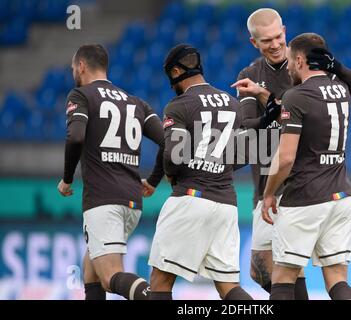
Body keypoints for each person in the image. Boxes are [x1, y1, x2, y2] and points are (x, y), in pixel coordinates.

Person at [231, 8, 351, 299]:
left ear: (285, 31)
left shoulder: (309, 62)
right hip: (289, 182)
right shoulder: (249, 75)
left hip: (293, 183)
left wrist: (266, 97)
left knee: (281, 272)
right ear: (253, 42)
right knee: (263, 270)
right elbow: (248, 126)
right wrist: (261, 96)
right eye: (266, 40)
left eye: (278, 36)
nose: (274, 44)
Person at [57, 44, 165, 300]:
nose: (74, 72)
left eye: (74, 67)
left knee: (109, 277)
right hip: (132, 202)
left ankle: (156, 297)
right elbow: (170, 141)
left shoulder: (80, 95)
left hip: (103, 202)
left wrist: (67, 178)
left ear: (81, 65)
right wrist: (154, 180)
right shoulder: (136, 102)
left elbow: (75, 137)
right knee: (91, 271)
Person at [147, 44, 252, 300]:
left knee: (160, 282)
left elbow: (172, 157)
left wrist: (171, 176)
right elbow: (245, 155)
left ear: (175, 71)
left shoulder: (179, 105)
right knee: (229, 287)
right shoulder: (233, 103)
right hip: (226, 203)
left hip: (190, 198)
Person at [262, 33, 351, 300]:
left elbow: (286, 158)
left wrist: (269, 193)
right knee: (337, 278)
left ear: (301, 60)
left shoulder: (297, 96)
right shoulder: (342, 90)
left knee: (283, 276)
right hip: (340, 196)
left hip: (305, 197)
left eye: (291, 60)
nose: (289, 66)